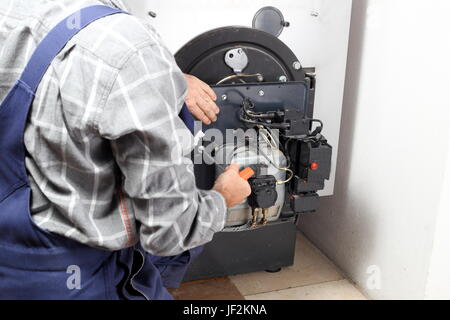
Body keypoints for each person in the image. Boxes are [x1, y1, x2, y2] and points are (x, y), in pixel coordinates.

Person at [0, 0, 251, 300]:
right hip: (82, 279)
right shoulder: (131, 49)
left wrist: (165, 81)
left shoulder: (13, 12)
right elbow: (169, 231)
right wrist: (223, 198)